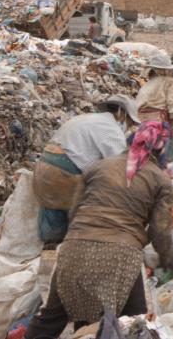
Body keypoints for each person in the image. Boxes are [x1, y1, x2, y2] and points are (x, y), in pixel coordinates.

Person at [25, 119, 173, 338]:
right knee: (133, 323)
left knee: (50, 318)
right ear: (162, 149)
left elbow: (74, 212)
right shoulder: (160, 180)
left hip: (74, 249)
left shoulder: (97, 167)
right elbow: (160, 229)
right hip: (121, 254)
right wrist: (168, 258)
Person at [34, 95, 139, 244]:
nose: (128, 126)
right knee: (80, 217)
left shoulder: (86, 119)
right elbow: (119, 165)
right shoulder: (110, 128)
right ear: (122, 113)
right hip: (64, 172)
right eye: (130, 122)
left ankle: (49, 248)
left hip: (44, 167)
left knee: (52, 213)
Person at [135, 52, 173, 172]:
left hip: (142, 128)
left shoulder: (146, 86)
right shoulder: (170, 82)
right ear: (164, 70)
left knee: (151, 161)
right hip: (160, 127)